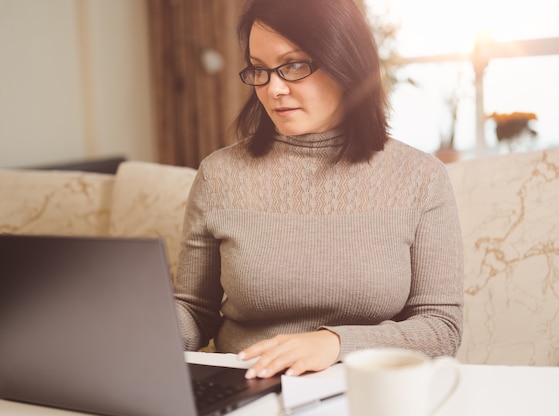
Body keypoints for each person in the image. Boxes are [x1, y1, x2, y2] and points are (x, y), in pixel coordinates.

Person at [174, 0, 463, 380]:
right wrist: (134, 332)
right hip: (247, 391)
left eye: (293, 65)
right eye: (260, 69)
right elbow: (195, 311)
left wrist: (336, 343)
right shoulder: (219, 175)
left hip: (370, 389)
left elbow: (442, 327)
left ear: (347, 63)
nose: (273, 88)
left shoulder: (421, 177)